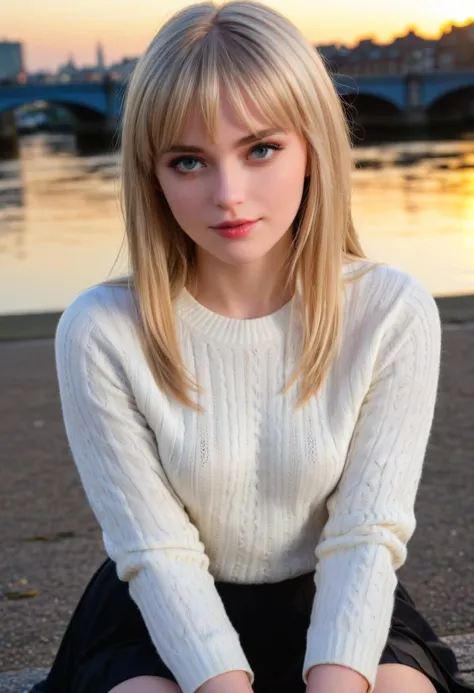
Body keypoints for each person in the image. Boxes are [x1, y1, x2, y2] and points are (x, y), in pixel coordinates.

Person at [29, 2, 473, 693]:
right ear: (152, 175)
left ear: (313, 148)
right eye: (188, 161)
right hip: (157, 612)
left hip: (336, 594)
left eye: (261, 149)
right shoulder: (100, 330)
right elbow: (157, 550)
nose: (228, 195)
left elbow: (364, 535)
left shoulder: (390, 310)